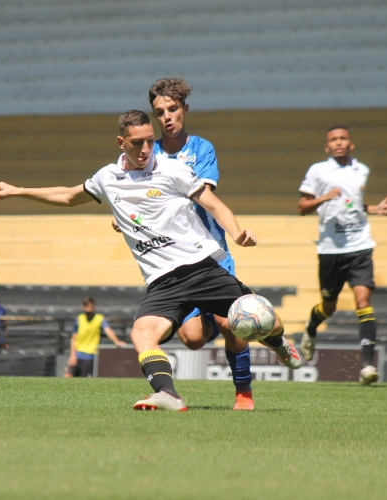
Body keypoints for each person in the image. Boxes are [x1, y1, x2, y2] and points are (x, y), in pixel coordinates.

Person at [0, 109, 301, 411]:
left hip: (201, 267)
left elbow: (215, 205)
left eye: (150, 140)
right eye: (137, 142)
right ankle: (168, 395)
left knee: (262, 317)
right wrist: (18, 191)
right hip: (162, 282)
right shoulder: (107, 178)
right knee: (142, 333)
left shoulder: (172, 169)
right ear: (121, 142)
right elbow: (68, 196)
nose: (145, 148)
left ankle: (278, 343)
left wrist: (236, 233)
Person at [146, 77, 256, 410]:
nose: (166, 116)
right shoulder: (147, 154)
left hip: (210, 251)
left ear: (185, 109)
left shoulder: (201, 149)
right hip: (175, 258)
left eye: (173, 108)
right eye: (160, 111)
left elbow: (201, 196)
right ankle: (212, 317)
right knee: (192, 339)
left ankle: (244, 393)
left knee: (233, 322)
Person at [298, 125, 387, 385]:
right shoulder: (318, 171)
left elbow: (352, 204)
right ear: (328, 147)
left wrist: (373, 208)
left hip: (360, 246)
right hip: (330, 249)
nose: (339, 142)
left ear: (351, 143)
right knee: (329, 306)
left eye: (343, 138)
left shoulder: (361, 170)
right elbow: (302, 207)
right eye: (333, 140)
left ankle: (367, 366)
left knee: (363, 301)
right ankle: (311, 328)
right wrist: (323, 198)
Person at [65, 296, 127, 378]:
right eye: (87, 307)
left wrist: (116, 341)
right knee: (67, 375)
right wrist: (72, 355)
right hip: (78, 353)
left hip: (90, 355)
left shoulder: (99, 319)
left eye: (91, 307)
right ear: (83, 307)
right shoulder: (79, 319)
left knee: (83, 379)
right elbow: (73, 338)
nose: (89, 310)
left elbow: (108, 330)